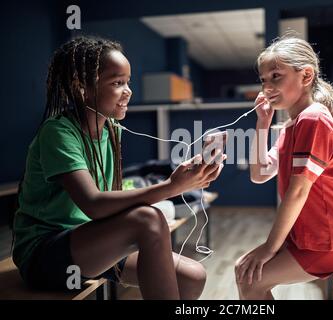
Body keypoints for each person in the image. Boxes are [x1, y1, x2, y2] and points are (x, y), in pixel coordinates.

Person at [12, 36, 225, 300]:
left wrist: (190, 180)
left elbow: (109, 204)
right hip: (44, 255)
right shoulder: (57, 132)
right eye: (117, 83)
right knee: (149, 219)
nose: (128, 91)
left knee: (192, 277)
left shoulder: (111, 131)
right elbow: (94, 204)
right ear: (82, 88)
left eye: (128, 81)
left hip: (89, 242)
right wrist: (172, 187)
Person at [235, 35, 333, 300]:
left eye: (276, 76)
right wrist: (262, 123)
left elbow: (298, 192)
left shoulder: (313, 119)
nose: (267, 87)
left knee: (249, 278)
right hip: (320, 237)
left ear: (306, 76)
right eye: (263, 80)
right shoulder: (293, 125)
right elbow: (259, 173)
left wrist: (270, 247)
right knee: (244, 271)